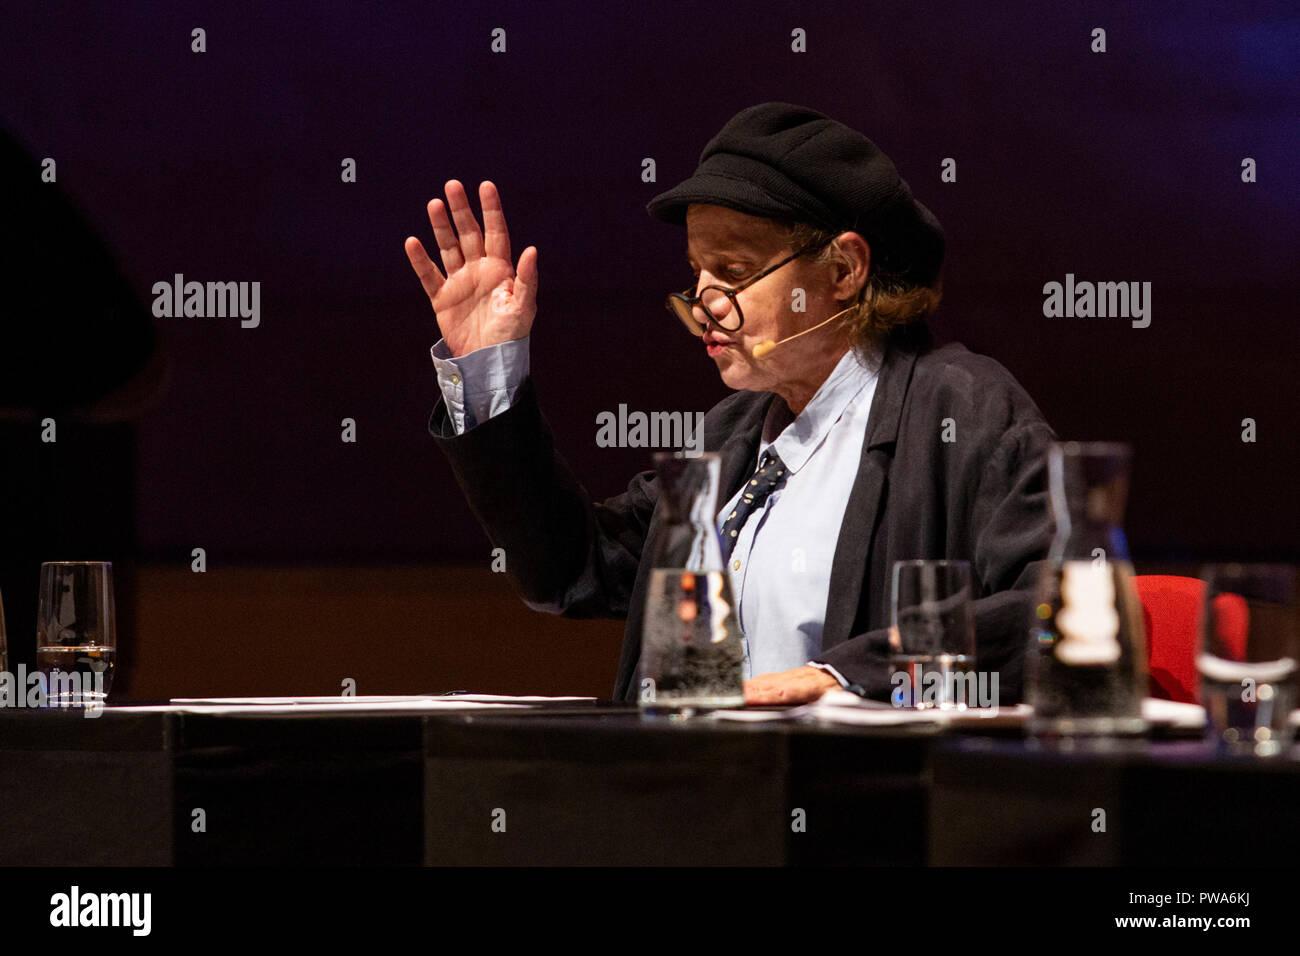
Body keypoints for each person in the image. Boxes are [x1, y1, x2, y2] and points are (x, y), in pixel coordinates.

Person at [406, 102, 1055, 705]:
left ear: (842, 271)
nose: (704, 302)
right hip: (695, 801)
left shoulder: (958, 409)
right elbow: (570, 570)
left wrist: (849, 678)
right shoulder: (731, 435)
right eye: (697, 273)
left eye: (734, 272)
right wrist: (488, 372)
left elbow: (1058, 612)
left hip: (856, 809)